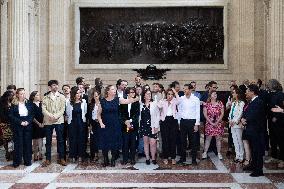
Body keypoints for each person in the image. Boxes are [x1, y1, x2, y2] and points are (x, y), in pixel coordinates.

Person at [97, 85, 138, 167]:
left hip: (115, 124)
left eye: (115, 89)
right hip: (105, 125)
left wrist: (137, 98)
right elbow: (98, 114)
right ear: (107, 91)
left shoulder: (117, 99)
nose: (114, 90)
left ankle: (113, 159)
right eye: (112, 89)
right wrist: (101, 123)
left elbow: (127, 101)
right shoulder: (102, 101)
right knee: (105, 143)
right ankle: (105, 159)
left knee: (114, 143)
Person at [241, 84, 266, 177]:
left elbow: (254, 115)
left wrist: (245, 120)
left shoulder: (259, 101)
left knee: (257, 150)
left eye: (247, 91)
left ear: (252, 92)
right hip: (250, 129)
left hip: (257, 130)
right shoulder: (251, 101)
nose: (245, 92)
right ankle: (253, 165)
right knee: (253, 149)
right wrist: (243, 118)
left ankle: (259, 170)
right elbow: (246, 112)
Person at [42, 80, 67, 167]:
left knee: (60, 140)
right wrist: (50, 116)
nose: (56, 87)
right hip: (48, 121)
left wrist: (56, 116)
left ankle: (61, 158)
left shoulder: (62, 97)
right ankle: (48, 159)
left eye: (56, 85)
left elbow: (63, 108)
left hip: (59, 120)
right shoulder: (45, 97)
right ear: (50, 87)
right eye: (53, 85)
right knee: (48, 141)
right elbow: (43, 109)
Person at [9, 88, 34, 168]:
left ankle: (27, 161)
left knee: (27, 144)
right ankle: (17, 161)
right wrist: (20, 122)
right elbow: (11, 116)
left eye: (24, 93)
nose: (23, 95)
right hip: (18, 125)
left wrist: (28, 121)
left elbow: (32, 114)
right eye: (21, 94)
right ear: (17, 95)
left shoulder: (29, 103)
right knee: (18, 144)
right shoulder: (13, 104)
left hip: (27, 125)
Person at [177, 84, 200, 165]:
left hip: (192, 122)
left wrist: (197, 124)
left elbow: (198, 112)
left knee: (193, 141)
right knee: (182, 141)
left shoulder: (196, 99)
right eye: (184, 89)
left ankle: (194, 159)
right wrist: (179, 122)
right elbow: (179, 111)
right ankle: (182, 158)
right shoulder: (181, 99)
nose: (184, 90)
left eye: (186, 89)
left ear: (190, 90)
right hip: (183, 122)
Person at [66, 87, 88, 163]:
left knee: (81, 139)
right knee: (73, 139)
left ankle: (81, 155)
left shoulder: (84, 101)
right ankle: (73, 155)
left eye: (79, 93)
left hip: (81, 123)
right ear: (73, 94)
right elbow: (68, 113)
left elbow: (85, 112)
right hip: (72, 123)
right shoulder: (69, 102)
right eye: (77, 93)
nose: (79, 94)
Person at [158, 88, 179, 165]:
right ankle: (165, 157)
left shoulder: (175, 101)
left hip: (173, 121)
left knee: (173, 140)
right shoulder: (163, 101)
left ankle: (173, 157)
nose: (170, 96)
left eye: (171, 94)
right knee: (165, 140)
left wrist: (174, 92)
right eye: (168, 94)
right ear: (166, 95)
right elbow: (159, 105)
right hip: (164, 121)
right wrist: (164, 98)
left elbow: (179, 100)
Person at [140, 89, 160, 165]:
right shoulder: (141, 104)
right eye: (147, 94)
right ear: (144, 96)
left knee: (153, 142)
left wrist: (156, 126)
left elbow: (158, 115)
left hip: (152, 125)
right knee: (145, 142)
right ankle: (147, 158)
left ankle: (153, 158)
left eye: (150, 94)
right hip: (143, 125)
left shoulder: (154, 103)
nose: (149, 95)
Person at [202, 91, 224, 160]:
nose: (215, 95)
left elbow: (222, 113)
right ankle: (205, 153)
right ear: (210, 95)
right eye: (214, 94)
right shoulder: (206, 104)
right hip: (209, 123)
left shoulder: (220, 103)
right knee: (208, 139)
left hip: (218, 123)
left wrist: (217, 122)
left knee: (218, 138)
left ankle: (219, 153)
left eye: (216, 94)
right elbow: (205, 114)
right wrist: (211, 123)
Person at [120, 87, 140, 165]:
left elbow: (137, 114)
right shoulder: (123, 102)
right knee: (125, 142)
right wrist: (125, 121)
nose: (133, 94)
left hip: (133, 125)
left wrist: (130, 121)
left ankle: (132, 158)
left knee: (133, 143)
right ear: (127, 93)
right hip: (124, 125)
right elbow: (120, 113)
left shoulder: (136, 102)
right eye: (131, 92)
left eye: (134, 92)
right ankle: (125, 159)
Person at [228, 88, 245, 163]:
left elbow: (240, 113)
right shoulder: (234, 102)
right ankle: (237, 155)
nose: (233, 94)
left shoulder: (241, 103)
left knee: (239, 140)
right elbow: (230, 113)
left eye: (234, 93)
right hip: (232, 124)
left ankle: (241, 156)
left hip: (237, 124)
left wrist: (234, 121)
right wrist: (230, 120)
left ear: (237, 94)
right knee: (235, 140)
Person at [29, 91, 44, 161]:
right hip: (34, 124)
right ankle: (35, 154)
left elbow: (44, 114)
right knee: (35, 140)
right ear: (33, 97)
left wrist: (43, 123)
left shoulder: (41, 103)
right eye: (37, 95)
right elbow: (31, 116)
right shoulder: (30, 104)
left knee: (41, 139)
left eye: (39, 95)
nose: (39, 96)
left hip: (42, 123)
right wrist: (38, 123)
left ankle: (40, 153)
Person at [0, 91, 14, 161]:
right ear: (8, 96)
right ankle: (7, 152)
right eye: (12, 95)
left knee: (12, 138)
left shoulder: (13, 104)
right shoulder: (2, 104)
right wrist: (8, 120)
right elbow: (1, 114)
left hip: (12, 124)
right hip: (5, 124)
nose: (13, 97)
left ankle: (12, 152)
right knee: (6, 139)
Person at [89, 89, 101, 162]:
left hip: (100, 123)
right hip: (93, 123)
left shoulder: (102, 103)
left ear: (99, 95)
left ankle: (103, 154)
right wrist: (90, 125)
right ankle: (94, 155)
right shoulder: (91, 105)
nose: (95, 97)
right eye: (94, 96)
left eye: (97, 95)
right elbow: (89, 116)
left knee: (101, 139)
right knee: (93, 140)